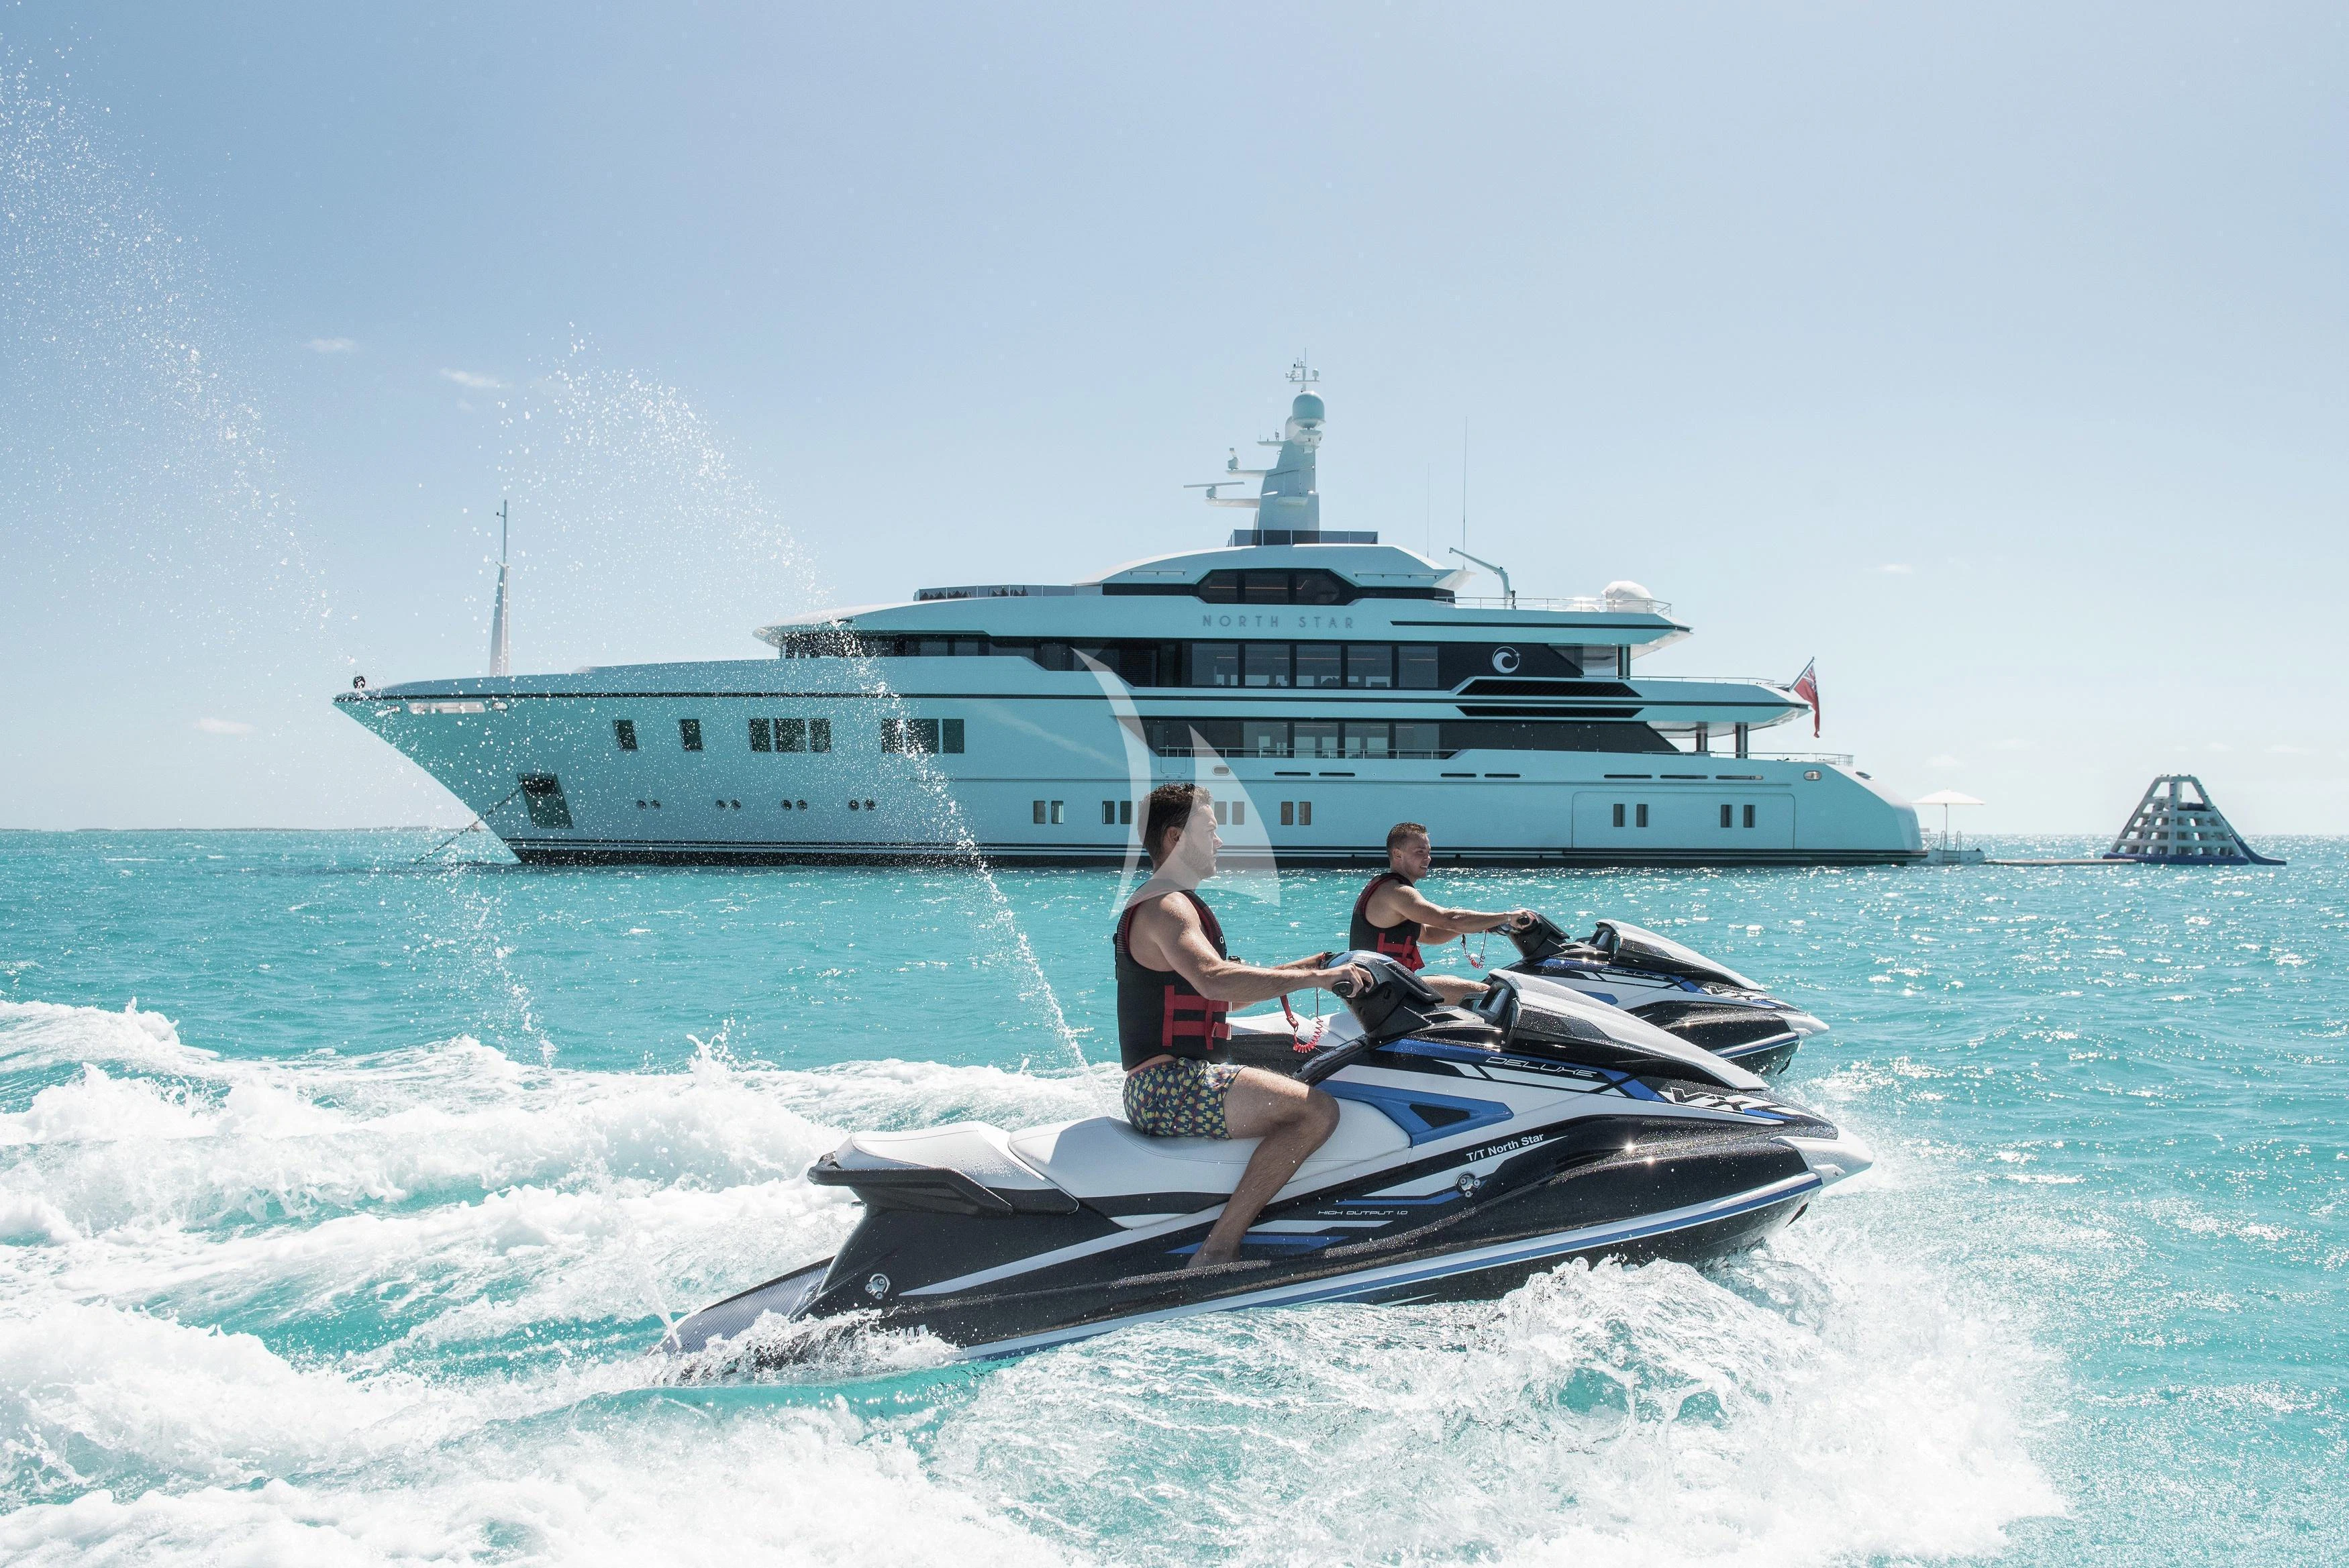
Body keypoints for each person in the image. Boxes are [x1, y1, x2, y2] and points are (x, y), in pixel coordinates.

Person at [1117, 782, 1373, 1269]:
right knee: (1315, 1112)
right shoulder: (1165, 906)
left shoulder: (1176, 905)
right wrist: (1318, 977)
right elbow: (1214, 980)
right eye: (1210, 831)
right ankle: (1219, 1247)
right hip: (1165, 1085)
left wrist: (1313, 964)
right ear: (1175, 839)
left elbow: (1227, 995)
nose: (1219, 843)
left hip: (1174, 1079)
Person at [1350, 821, 1536, 1003]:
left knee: (1454, 982)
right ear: (1398, 854)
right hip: (1383, 992)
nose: (1428, 858)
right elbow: (1449, 919)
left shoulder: (1389, 887)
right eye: (1420, 852)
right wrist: (1508, 917)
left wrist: (1485, 925)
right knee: (1492, 995)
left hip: (1381, 989)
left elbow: (1429, 934)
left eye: (1428, 852)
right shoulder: (1397, 892)